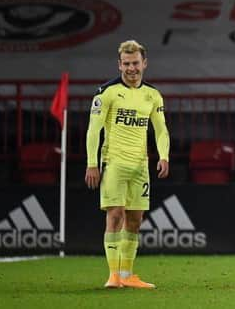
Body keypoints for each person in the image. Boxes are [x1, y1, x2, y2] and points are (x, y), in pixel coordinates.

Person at [85, 40, 170, 289]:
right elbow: (94, 130)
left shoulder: (152, 95)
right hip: (114, 163)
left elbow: (161, 130)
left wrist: (163, 155)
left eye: (135, 63)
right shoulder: (107, 92)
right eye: (126, 63)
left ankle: (127, 275)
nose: (131, 68)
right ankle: (112, 276)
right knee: (115, 214)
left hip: (140, 165)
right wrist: (92, 164)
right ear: (119, 64)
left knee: (135, 219)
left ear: (144, 63)